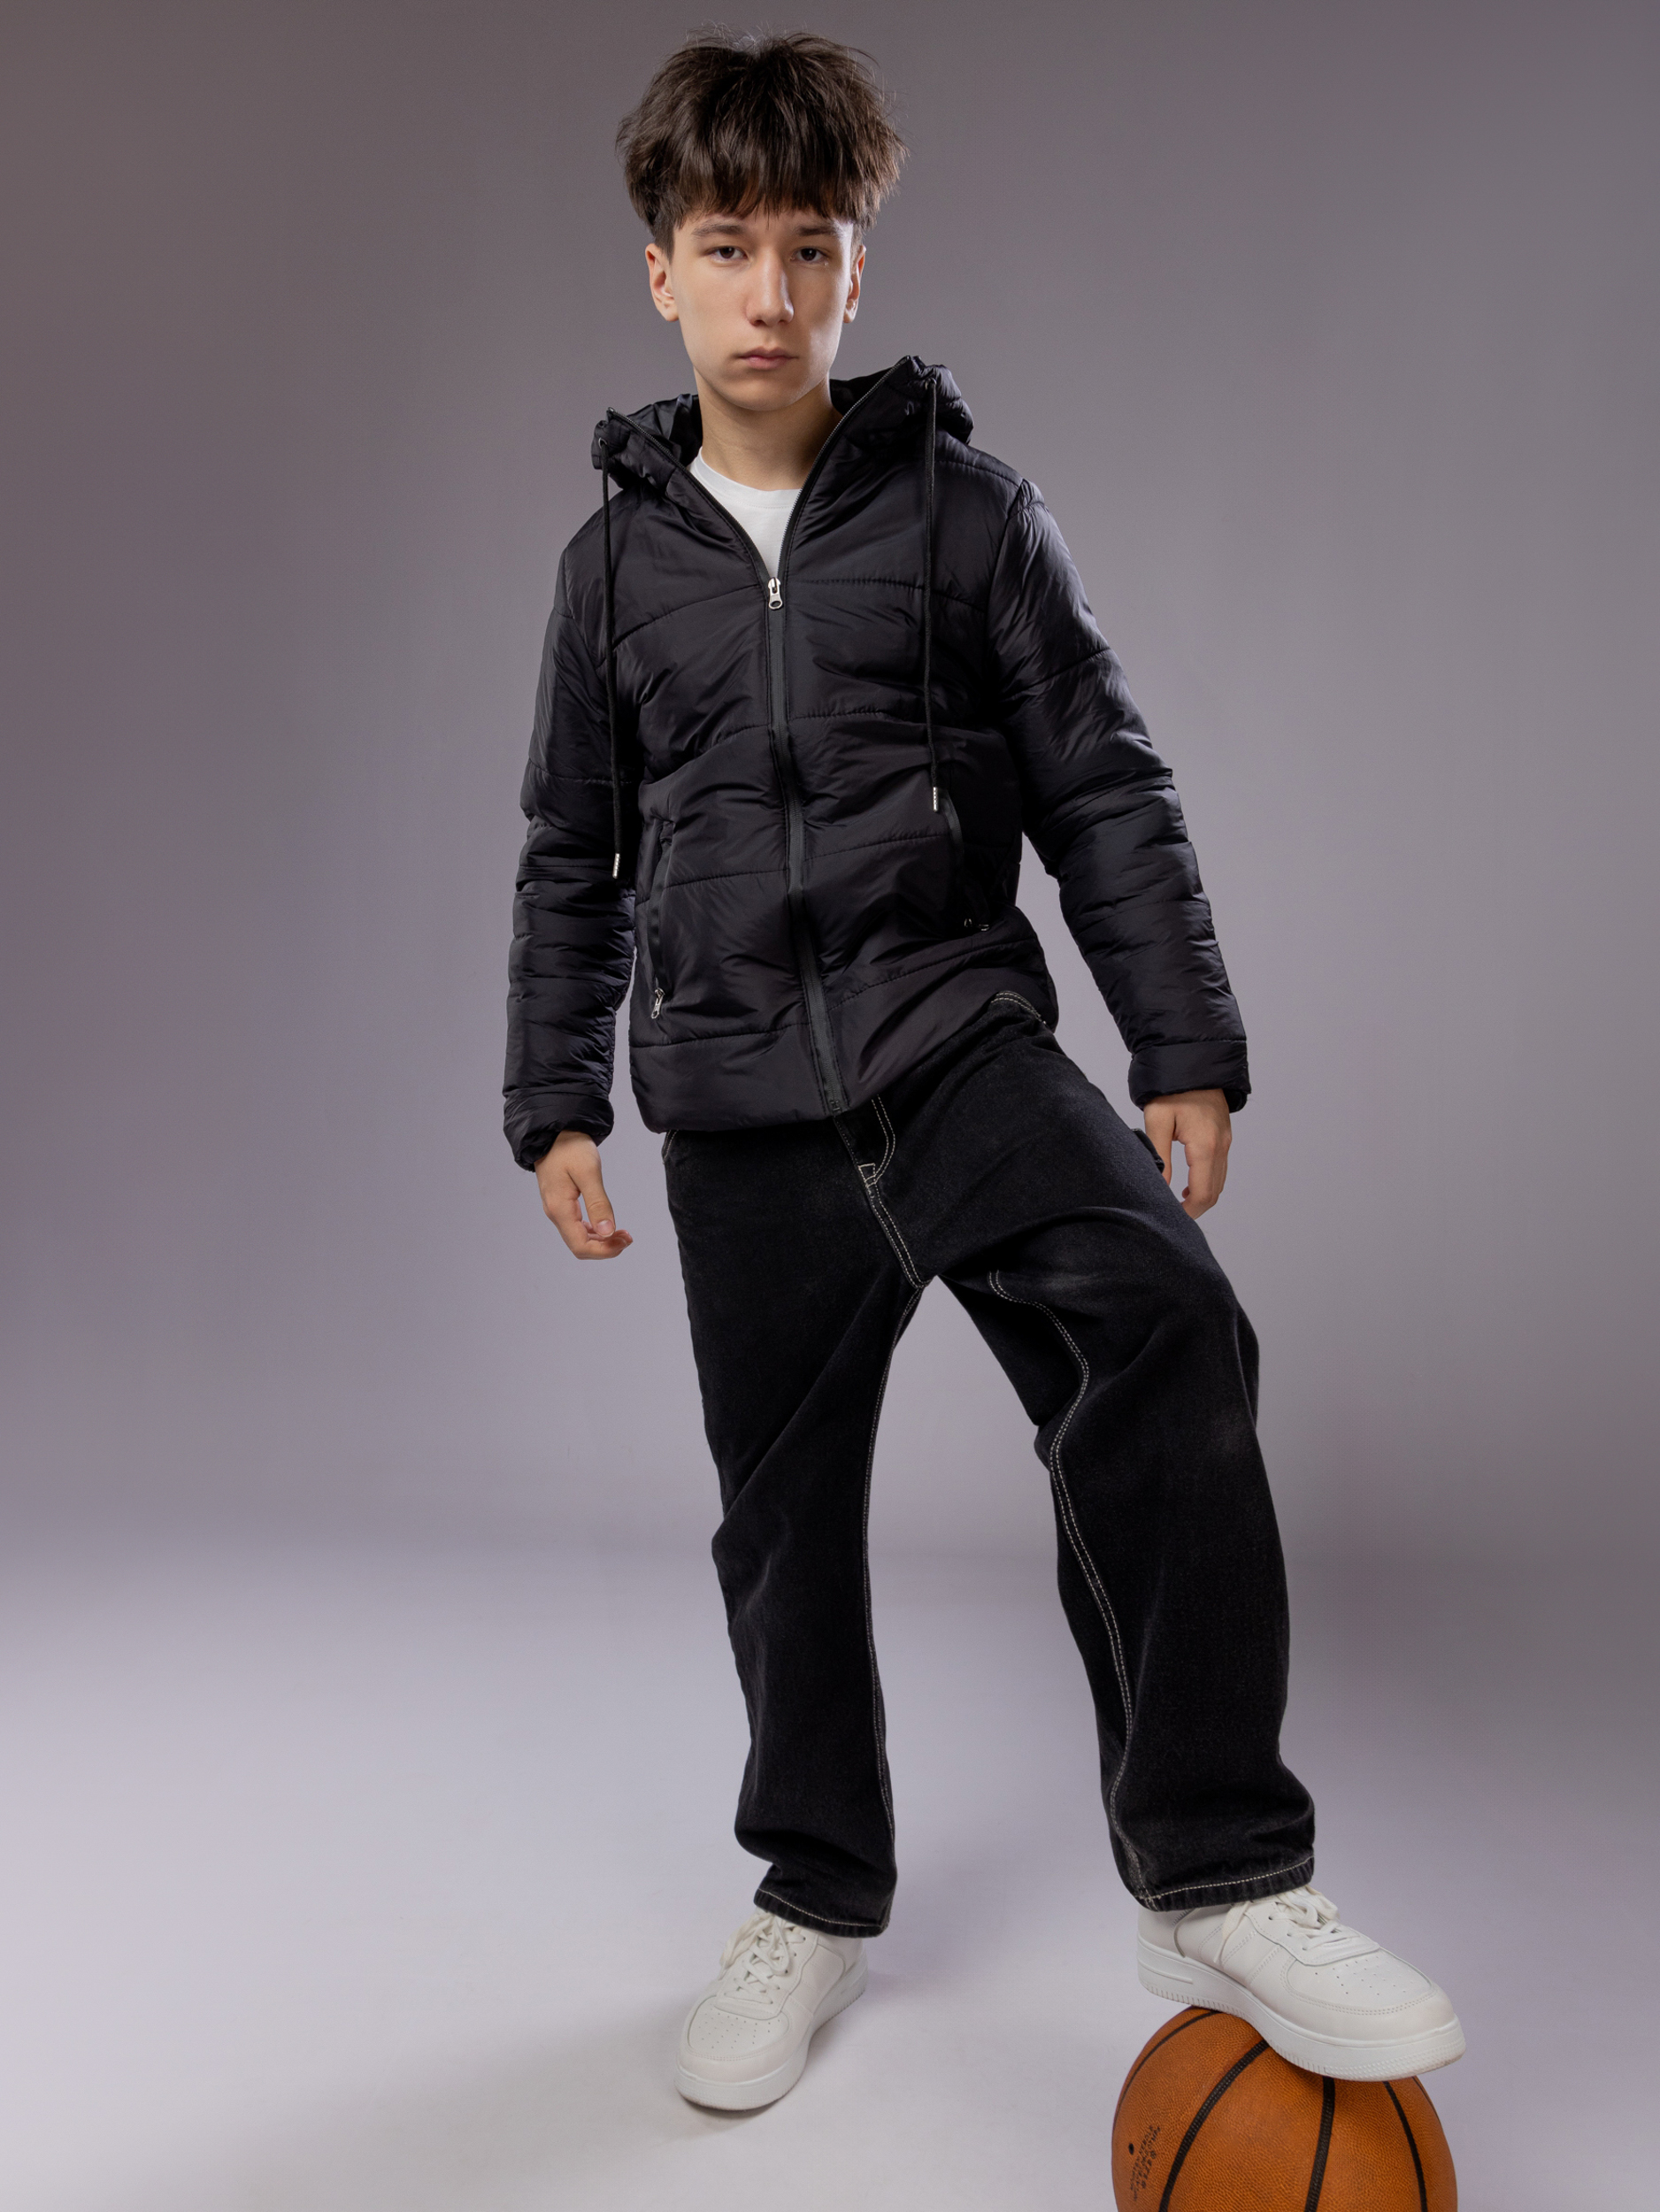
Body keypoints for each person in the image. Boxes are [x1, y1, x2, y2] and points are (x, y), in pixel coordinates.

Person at [504, 30, 1462, 2112]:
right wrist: (553, 1096)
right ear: (658, 272)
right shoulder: (610, 574)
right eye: (725, 247)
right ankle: (815, 1885)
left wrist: (1179, 1041)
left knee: (1167, 1327)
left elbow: (1100, 780)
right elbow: (570, 851)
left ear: (860, 264)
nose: (769, 294)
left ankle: (1213, 1866)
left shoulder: (964, 512)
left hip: (954, 1044)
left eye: (809, 248)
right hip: (737, 1106)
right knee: (778, 1522)